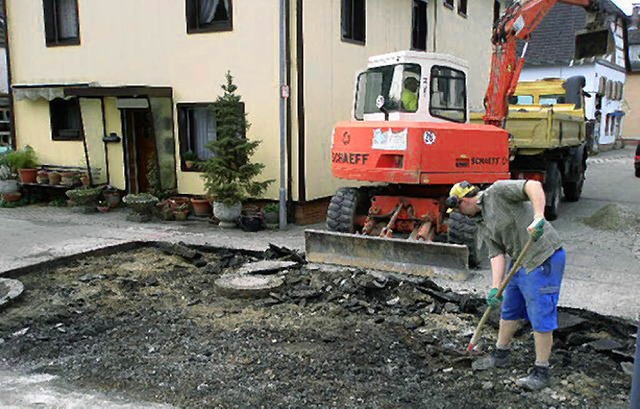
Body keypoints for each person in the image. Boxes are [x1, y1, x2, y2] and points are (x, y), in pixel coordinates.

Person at [445, 180, 565, 391]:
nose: (459, 214)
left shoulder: (498, 192)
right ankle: (501, 354)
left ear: (465, 201)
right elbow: (496, 254)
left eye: (458, 209)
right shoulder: (481, 221)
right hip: (519, 261)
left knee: (540, 313)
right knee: (509, 308)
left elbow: (533, 186)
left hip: (542, 257)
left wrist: (538, 217)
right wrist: (494, 287)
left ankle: (541, 370)